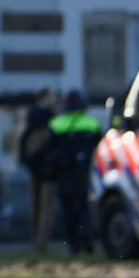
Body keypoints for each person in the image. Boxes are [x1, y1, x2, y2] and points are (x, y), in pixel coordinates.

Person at [44, 90, 104, 254]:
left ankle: (73, 244)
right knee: (84, 208)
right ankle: (87, 238)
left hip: (64, 174)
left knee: (68, 210)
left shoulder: (57, 123)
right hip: (86, 173)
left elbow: (47, 150)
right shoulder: (91, 123)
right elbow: (101, 147)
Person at [19, 87, 59, 253]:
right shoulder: (51, 119)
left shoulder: (30, 120)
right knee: (46, 207)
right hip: (47, 169)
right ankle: (41, 243)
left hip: (33, 168)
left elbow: (23, 145)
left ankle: (36, 241)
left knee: (36, 207)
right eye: (52, 96)